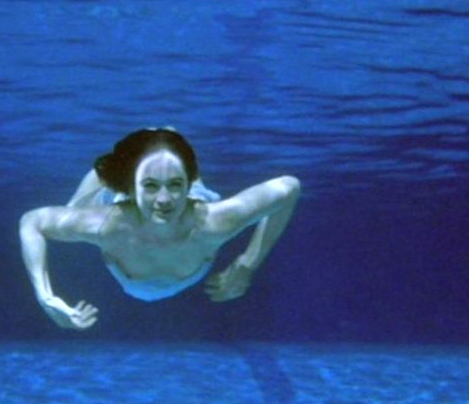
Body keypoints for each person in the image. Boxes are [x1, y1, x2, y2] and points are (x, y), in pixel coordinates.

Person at [19, 127, 301, 330]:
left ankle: (163, 159)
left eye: (176, 185)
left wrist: (247, 264)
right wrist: (46, 297)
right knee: (73, 208)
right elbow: (31, 222)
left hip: (191, 203)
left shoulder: (213, 223)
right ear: (131, 189)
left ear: (187, 184)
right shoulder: (107, 225)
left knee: (167, 154)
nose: (164, 200)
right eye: (150, 186)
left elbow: (290, 187)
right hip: (122, 204)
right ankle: (114, 172)